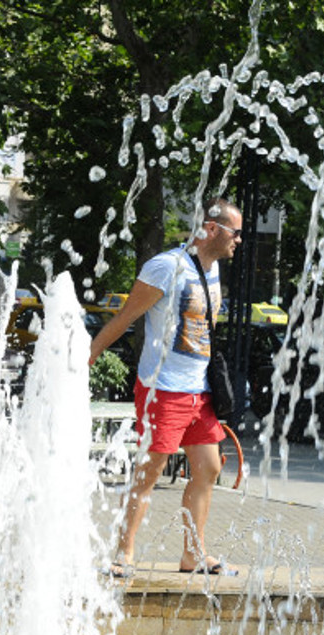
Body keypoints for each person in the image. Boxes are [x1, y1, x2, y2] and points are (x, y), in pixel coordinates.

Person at [88, 199, 244, 577]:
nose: (238, 240)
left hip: (200, 391)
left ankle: (193, 553)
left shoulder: (213, 269)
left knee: (208, 468)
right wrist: (88, 356)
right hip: (164, 389)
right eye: (235, 232)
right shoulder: (166, 267)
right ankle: (124, 552)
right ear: (211, 228)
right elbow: (126, 318)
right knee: (151, 470)